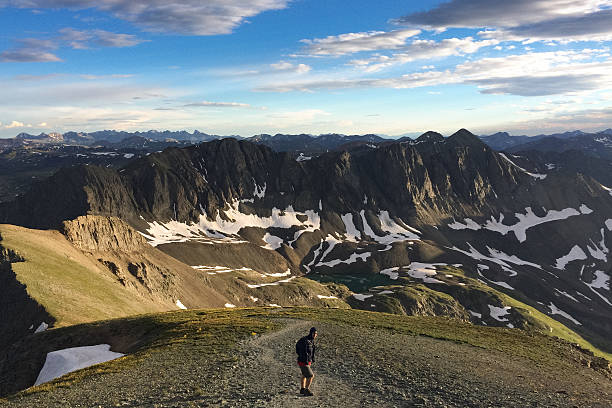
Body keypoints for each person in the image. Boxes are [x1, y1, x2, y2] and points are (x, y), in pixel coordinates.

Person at [296, 327, 317, 396]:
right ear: (311, 333)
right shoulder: (304, 340)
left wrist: (311, 359)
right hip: (303, 362)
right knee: (311, 375)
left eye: (316, 333)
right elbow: (297, 347)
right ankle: (306, 390)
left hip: (307, 361)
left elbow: (312, 351)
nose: (315, 335)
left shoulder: (311, 340)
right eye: (314, 333)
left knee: (304, 374)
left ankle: (302, 389)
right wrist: (302, 357)